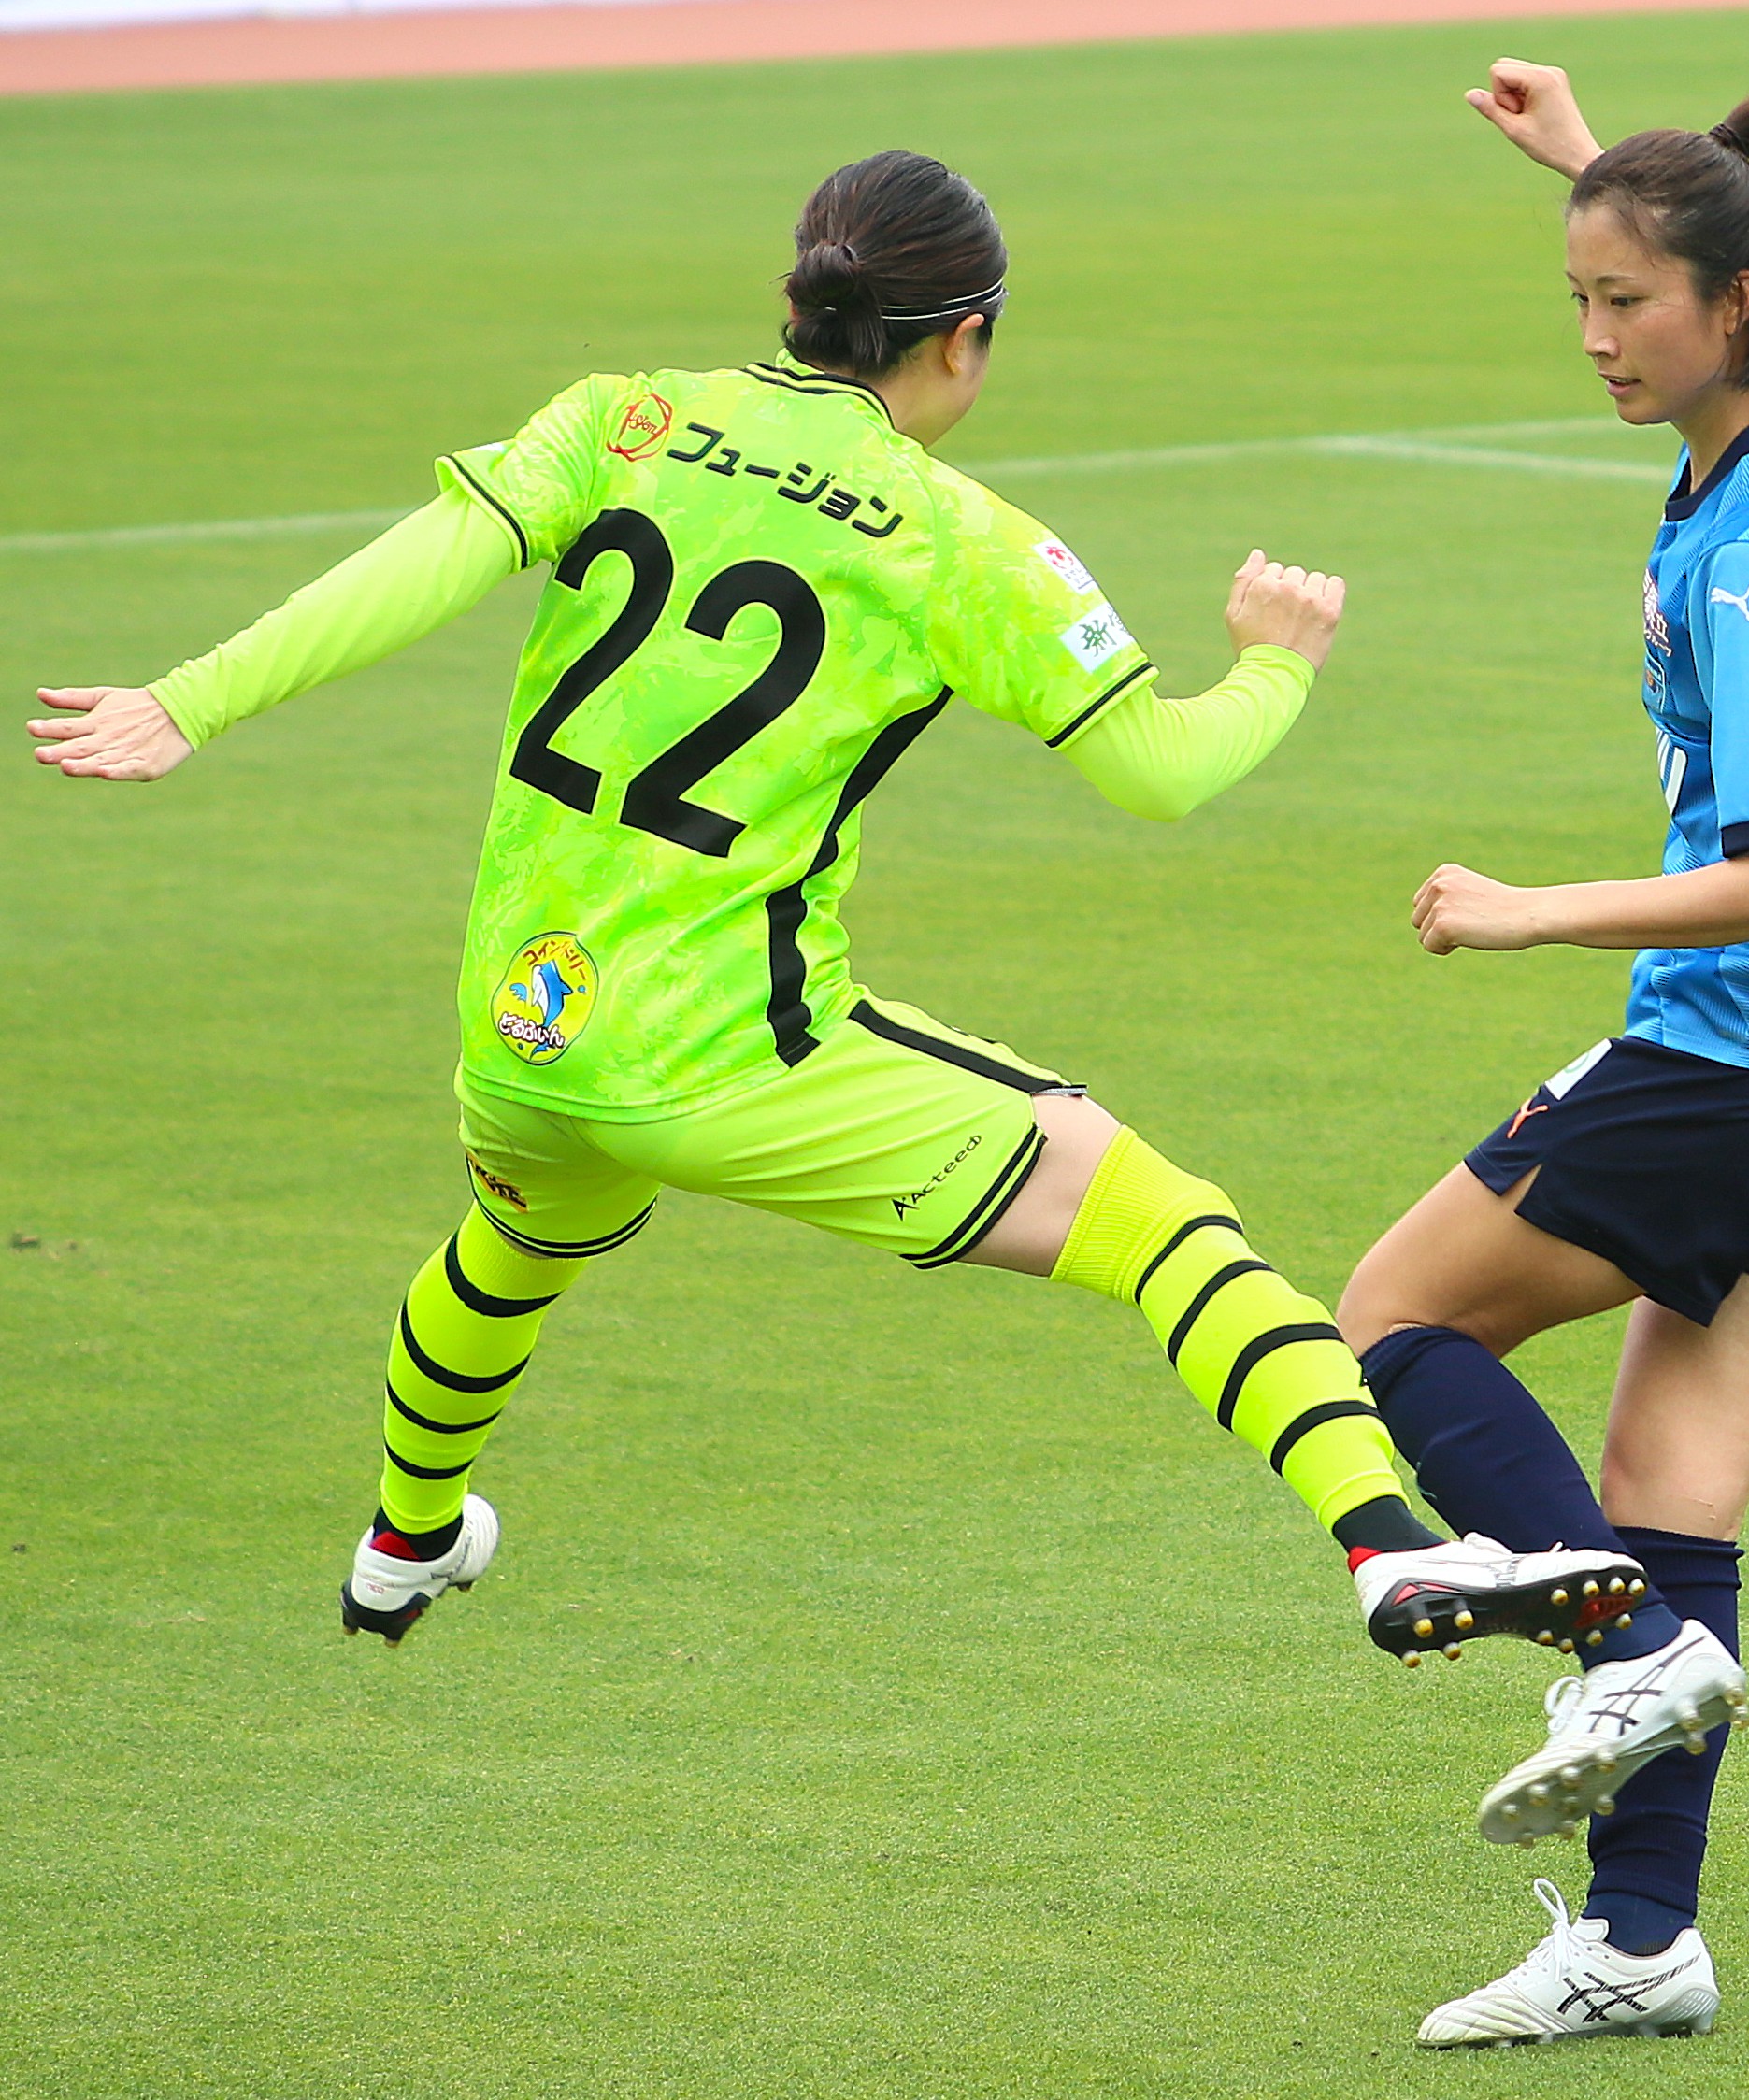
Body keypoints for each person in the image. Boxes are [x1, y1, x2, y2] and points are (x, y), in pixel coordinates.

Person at [29, 149, 1642, 1671]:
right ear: (965, 339)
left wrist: (189, 700)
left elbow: (419, 562)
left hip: (525, 1022)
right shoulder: (965, 542)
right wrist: (1277, 654)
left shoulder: (625, 416)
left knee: (513, 1248)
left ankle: (404, 1540)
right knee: (1164, 1224)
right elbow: (1162, 771)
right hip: (740, 1057)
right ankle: (1390, 1547)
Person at [1334, 66, 1749, 2047]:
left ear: (1730, 305)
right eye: (1579, 296)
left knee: (1392, 1317)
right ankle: (1637, 1937)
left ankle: (1622, 1638)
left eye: (1629, 301)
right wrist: (1589, 146)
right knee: (1664, 1478)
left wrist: (1532, 911)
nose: (1598, 338)